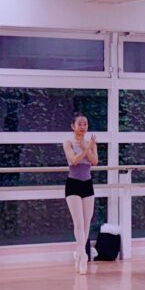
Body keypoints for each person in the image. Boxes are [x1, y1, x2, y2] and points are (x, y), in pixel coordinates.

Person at [64, 114, 99, 275]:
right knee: (78, 223)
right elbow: (74, 160)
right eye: (80, 124)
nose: (83, 126)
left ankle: (78, 253)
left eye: (85, 124)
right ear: (73, 126)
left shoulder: (91, 143)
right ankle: (84, 255)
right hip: (73, 184)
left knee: (86, 223)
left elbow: (94, 161)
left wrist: (89, 146)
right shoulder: (68, 143)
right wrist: (86, 148)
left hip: (87, 184)